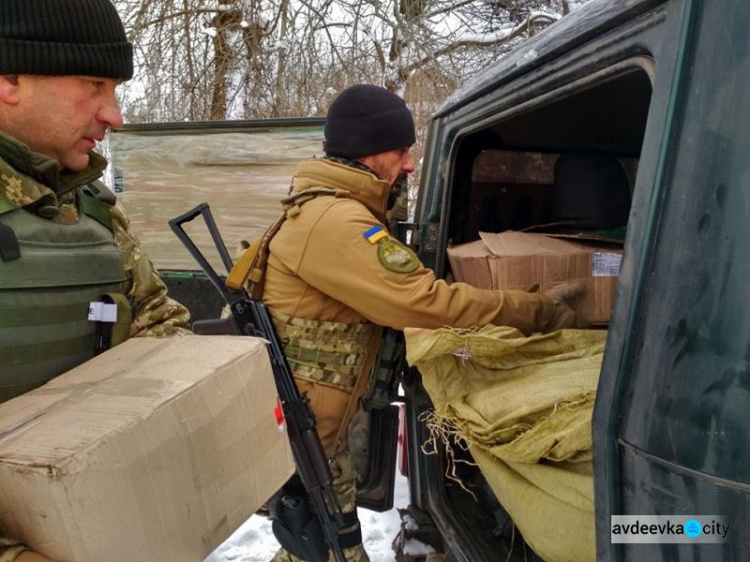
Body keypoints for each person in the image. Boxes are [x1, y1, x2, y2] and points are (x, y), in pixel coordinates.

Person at [232, 84, 582, 562]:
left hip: (315, 432)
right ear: (367, 151)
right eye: (401, 151)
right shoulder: (335, 221)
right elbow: (424, 301)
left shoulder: (331, 211)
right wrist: (536, 310)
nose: (410, 164)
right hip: (305, 436)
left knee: (314, 549)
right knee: (331, 549)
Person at [0, 1, 189, 559]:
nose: (116, 115)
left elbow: (159, 325)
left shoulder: (90, 207)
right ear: (10, 77)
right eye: (95, 84)